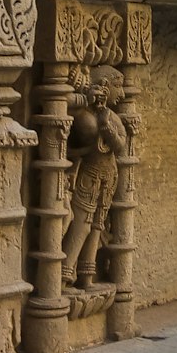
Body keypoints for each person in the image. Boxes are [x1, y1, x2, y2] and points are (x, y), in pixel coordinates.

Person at [62, 64, 129, 290]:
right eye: (117, 88)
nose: (121, 94)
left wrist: (105, 123)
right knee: (82, 224)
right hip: (88, 175)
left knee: (98, 226)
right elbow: (75, 141)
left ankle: (87, 276)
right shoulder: (85, 116)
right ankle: (65, 273)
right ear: (104, 87)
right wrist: (87, 102)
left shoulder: (110, 117)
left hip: (108, 178)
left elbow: (120, 146)